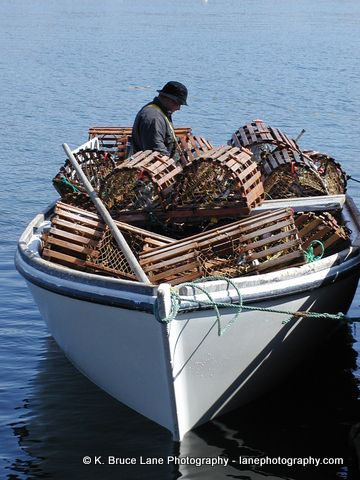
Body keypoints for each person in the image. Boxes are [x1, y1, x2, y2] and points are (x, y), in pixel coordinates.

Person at [131, 81, 188, 157]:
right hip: (153, 167)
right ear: (168, 98)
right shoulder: (154, 117)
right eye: (178, 103)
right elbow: (156, 151)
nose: (178, 108)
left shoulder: (161, 112)